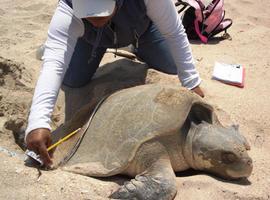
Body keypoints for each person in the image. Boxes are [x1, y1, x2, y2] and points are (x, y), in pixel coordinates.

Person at [25, 0, 205, 167]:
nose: (96, 18)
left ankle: (131, 45)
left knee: (172, 65)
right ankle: (57, 42)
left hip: (141, 31)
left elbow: (174, 32)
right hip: (89, 40)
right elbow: (54, 65)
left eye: (101, 9)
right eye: (89, 10)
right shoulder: (68, 9)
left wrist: (191, 82)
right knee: (72, 79)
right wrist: (38, 122)